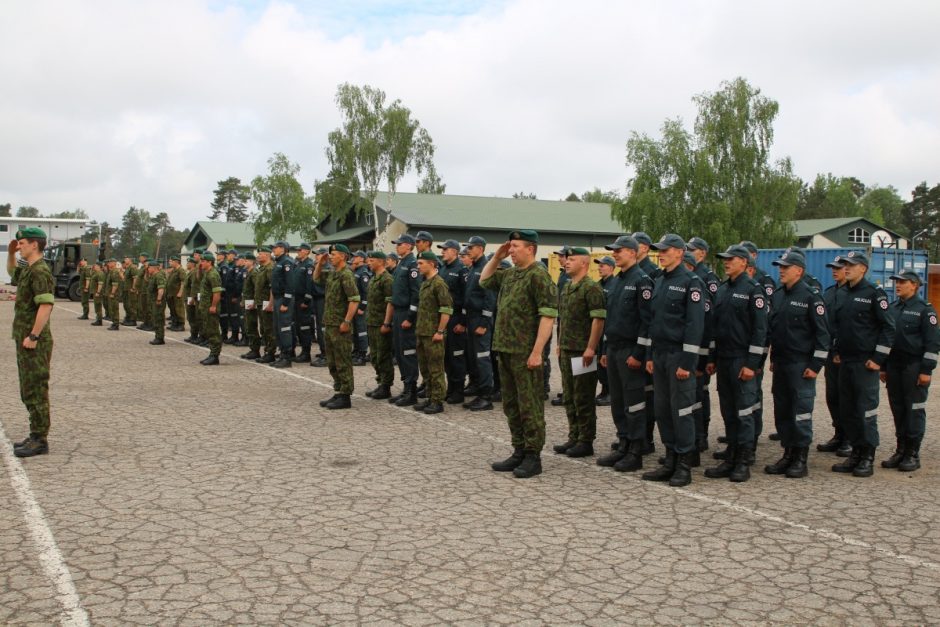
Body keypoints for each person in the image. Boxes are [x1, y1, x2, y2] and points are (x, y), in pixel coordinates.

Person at [481, 230, 558, 479]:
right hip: (505, 349)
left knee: (530, 406)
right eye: (510, 246)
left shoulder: (539, 276)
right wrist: (496, 258)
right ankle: (519, 450)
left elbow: (548, 316)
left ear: (530, 249)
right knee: (511, 405)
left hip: (525, 353)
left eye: (515, 246)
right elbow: (484, 281)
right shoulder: (511, 274)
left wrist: (537, 352)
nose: (511, 250)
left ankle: (533, 456)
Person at [642, 234, 705, 487]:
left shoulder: (692, 282)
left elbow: (695, 325)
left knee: (681, 411)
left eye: (666, 250)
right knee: (663, 409)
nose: (661, 253)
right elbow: (651, 321)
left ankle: (683, 465)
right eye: (659, 250)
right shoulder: (659, 280)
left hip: (679, 355)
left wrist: (687, 363)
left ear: (679, 253)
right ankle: (669, 459)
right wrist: (648, 355)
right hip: (659, 354)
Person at [701, 244, 767, 483]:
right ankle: (730, 457)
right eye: (724, 259)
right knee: (729, 411)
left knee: (744, 412)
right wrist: (712, 358)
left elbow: (760, 331)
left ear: (744, 262)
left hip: (742, 359)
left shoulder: (753, 290)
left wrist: (752, 363)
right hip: (725, 358)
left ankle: (743, 461)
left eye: (731, 259)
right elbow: (716, 327)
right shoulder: (722, 288)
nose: (726, 262)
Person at [763, 249, 830, 479]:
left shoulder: (812, 297)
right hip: (781, 363)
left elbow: (823, 336)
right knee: (782, 410)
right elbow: (774, 330)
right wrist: (772, 358)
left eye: (785, 266)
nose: (781, 270)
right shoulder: (779, 295)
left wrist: (816, 365)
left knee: (800, 411)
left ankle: (800, 458)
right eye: (780, 266)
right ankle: (788, 453)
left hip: (801, 364)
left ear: (799, 271)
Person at [831, 251, 895, 477]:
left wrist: (878, 359)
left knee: (865, 410)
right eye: (845, 265)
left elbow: (889, 328)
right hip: (846, 361)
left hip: (865, 363)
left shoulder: (874, 293)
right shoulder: (842, 293)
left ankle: (867, 455)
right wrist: (837, 350)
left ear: (863, 269)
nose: (846, 268)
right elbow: (838, 326)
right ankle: (855, 453)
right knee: (847, 409)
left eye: (851, 265)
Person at [596, 236, 654, 472]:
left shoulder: (642, 281)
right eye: (614, 251)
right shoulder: (617, 281)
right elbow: (612, 318)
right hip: (614, 349)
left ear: (632, 252)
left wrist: (639, 353)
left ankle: (636, 450)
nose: (615, 254)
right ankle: (623, 443)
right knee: (618, 402)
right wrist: (605, 349)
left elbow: (647, 322)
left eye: (619, 251)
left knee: (635, 403)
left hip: (631, 350)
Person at [551, 247, 606, 458]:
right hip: (566, 349)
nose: (566, 262)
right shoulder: (566, 287)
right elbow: (562, 319)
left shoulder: (591, 288)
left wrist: (591, 348)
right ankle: (574, 436)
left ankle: (586, 440)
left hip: (583, 352)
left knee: (583, 396)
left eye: (572, 259)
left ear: (584, 263)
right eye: (567, 259)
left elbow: (598, 319)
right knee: (570, 396)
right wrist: (559, 342)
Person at [881, 270, 938, 471]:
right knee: (898, 408)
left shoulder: (925, 310)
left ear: (914, 285)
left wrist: (926, 370)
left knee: (914, 409)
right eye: (896, 281)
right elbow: (887, 338)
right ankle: (901, 450)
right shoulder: (894, 308)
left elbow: (932, 344)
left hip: (914, 367)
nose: (898, 285)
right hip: (894, 366)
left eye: (902, 282)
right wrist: (884, 366)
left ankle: (913, 453)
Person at [8, 228, 56, 458]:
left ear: (34, 245)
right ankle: (34, 433)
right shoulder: (29, 270)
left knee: (36, 387)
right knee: (27, 388)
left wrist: (34, 336)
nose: (19, 246)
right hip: (25, 338)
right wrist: (10, 254)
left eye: (22, 243)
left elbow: (46, 305)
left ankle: (40, 439)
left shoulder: (40, 272)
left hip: (34, 341)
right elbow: (13, 275)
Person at [314, 244, 360, 409]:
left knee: (343, 360)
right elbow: (316, 278)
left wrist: (346, 321)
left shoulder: (346, 275)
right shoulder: (334, 273)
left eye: (333, 254)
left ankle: (346, 396)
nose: (330, 257)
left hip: (341, 325)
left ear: (343, 256)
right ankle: (339, 390)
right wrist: (320, 263)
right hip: (330, 323)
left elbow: (354, 299)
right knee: (332, 361)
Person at [817, 256, 851, 456]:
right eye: (833, 268)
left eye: (839, 268)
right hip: (831, 353)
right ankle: (838, 433)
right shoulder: (829, 293)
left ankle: (849, 438)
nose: (835, 271)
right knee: (833, 396)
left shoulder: (853, 294)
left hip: (847, 354)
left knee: (848, 397)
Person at [413, 250, 454, 414]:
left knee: (436, 368)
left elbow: (446, 310)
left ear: (432, 264)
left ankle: (437, 401)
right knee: (425, 368)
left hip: (433, 334)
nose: (418, 266)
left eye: (421, 263)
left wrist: (440, 331)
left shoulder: (439, 284)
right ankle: (430, 397)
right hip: (423, 333)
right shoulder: (425, 283)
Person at [462, 236, 496, 411]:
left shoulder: (485, 267)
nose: (468, 250)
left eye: (471, 247)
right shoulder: (473, 267)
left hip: (480, 320)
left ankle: (486, 397)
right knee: (474, 357)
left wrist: (484, 322)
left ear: (481, 249)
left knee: (483, 358)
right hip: (471, 318)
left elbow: (490, 298)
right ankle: (478, 391)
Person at [387, 234, 421, 406]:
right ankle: (406, 388)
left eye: (399, 245)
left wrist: (410, 317)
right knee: (400, 353)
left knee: (408, 353)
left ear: (408, 246)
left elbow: (416, 293)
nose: (396, 247)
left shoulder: (413, 265)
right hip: (398, 312)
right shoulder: (402, 264)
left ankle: (412, 391)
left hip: (407, 314)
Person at [437, 240, 469, 404]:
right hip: (445, 318)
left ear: (455, 252)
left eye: (445, 249)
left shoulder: (462, 270)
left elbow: (466, 297)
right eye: (442, 250)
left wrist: (463, 322)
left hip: (456, 317)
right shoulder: (442, 269)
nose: (442, 252)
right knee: (447, 356)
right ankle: (450, 388)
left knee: (456, 356)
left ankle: (458, 390)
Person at [365, 251, 395, 400]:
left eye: (371, 260)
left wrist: (387, 322)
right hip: (372, 322)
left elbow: (390, 302)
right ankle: (380, 382)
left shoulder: (387, 279)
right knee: (375, 356)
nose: (368, 263)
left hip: (381, 323)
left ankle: (386, 386)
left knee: (383, 355)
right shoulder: (373, 279)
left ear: (380, 262)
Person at [270, 241, 295, 368]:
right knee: (277, 328)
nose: (273, 250)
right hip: (277, 298)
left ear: (283, 249)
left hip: (284, 300)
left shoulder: (287, 263)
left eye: (275, 248)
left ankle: (287, 357)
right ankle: (281, 355)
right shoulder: (278, 262)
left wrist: (285, 302)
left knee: (285, 328)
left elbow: (290, 284)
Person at [198, 251, 223, 366]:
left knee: (213, 331)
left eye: (203, 261)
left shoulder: (213, 274)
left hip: (211, 308)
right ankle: (212, 354)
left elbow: (217, 293)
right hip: (205, 307)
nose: (201, 263)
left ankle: (215, 356)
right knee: (209, 330)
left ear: (210, 262)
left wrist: (213, 306)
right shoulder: (206, 273)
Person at [292, 243, 315, 363]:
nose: (298, 252)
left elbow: (309, 284)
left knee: (305, 326)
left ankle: (306, 353)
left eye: (300, 250)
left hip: (303, 301)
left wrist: (306, 300)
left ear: (307, 251)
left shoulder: (309, 265)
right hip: (296, 300)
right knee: (298, 326)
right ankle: (303, 351)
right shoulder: (298, 264)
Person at [254, 247, 277, 364]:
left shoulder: (270, 269)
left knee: (269, 329)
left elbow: (272, 288)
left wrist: (271, 303)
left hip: (267, 303)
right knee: (263, 328)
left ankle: (271, 353)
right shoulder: (261, 269)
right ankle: (267, 351)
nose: (258, 256)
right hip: (260, 303)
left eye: (260, 254)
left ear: (267, 255)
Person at [239, 252, 261, 360]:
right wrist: (243, 300)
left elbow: (257, 289)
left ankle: (255, 350)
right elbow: (246, 290)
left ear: (252, 262)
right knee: (248, 326)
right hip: (247, 302)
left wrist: (255, 303)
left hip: (252, 303)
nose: (244, 262)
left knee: (252, 326)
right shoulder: (248, 272)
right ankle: (253, 349)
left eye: (246, 260)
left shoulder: (254, 273)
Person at [351, 251, 371, 366]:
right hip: (355, 305)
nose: (354, 259)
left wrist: (362, 307)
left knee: (361, 330)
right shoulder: (356, 271)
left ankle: (362, 355)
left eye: (356, 257)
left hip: (360, 306)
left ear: (361, 259)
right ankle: (357, 351)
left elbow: (365, 292)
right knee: (356, 330)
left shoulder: (363, 273)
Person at [147, 260, 167, 345]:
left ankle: (160, 338)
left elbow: (161, 289)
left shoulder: (159, 276)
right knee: (155, 319)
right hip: (153, 301)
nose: (148, 269)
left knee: (158, 319)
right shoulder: (153, 276)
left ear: (153, 268)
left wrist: (159, 299)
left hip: (158, 302)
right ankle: (158, 336)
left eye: (149, 267)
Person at [121, 256, 138, 326]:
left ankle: (133, 320)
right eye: (124, 259)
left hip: (130, 289)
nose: (125, 260)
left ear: (130, 260)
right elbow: (125, 279)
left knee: (131, 305)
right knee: (126, 305)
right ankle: (128, 318)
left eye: (126, 259)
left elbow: (135, 278)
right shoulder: (127, 268)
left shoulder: (132, 267)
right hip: (126, 289)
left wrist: (133, 288)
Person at [106, 258, 122, 330]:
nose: (108, 264)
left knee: (114, 309)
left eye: (110, 262)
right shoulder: (111, 271)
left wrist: (112, 293)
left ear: (114, 263)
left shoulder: (115, 272)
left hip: (114, 294)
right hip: (111, 293)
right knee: (112, 308)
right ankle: (114, 323)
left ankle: (116, 324)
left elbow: (115, 284)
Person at [89, 261, 104, 326]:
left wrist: (98, 292)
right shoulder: (96, 273)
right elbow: (90, 274)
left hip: (98, 292)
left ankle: (99, 320)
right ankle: (98, 319)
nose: (94, 267)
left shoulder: (100, 274)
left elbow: (100, 284)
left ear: (99, 266)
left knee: (98, 306)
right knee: (96, 306)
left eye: (95, 266)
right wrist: (92, 269)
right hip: (95, 292)